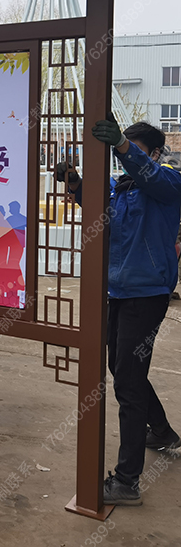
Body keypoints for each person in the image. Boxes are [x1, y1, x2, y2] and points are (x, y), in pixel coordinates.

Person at [59, 119, 181, 506]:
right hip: (118, 291)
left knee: (127, 382)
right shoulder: (121, 188)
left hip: (148, 294)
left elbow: (149, 176)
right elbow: (96, 205)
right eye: (122, 148)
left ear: (155, 153)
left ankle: (127, 481)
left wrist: (124, 148)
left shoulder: (169, 182)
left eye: (134, 148)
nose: (125, 154)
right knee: (121, 368)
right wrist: (76, 183)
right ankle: (161, 431)